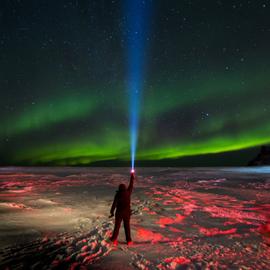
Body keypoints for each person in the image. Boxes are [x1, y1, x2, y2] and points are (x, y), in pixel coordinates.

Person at [109, 171, 135, 245]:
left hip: (119, 213)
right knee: (127, 227)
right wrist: (132, 176)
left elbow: (114, 204)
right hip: (127, 213)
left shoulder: (118, 195)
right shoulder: (128, 192)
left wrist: (111, 212)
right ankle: (129, 240)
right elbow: (131, 185)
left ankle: (114, 239)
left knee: (117, 226)